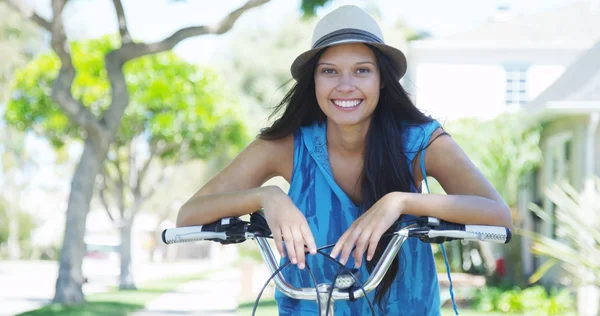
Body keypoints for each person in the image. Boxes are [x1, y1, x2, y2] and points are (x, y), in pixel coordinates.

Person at [176, 5, 512, 315]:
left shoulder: (420, 141)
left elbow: (498, 216)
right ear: (314, 82)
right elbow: (188, 215)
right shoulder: (287, 145)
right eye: (330, 71)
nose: (345, 85)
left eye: (362, 71)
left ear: (382, 80)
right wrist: (267, 197)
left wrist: (401, 202)